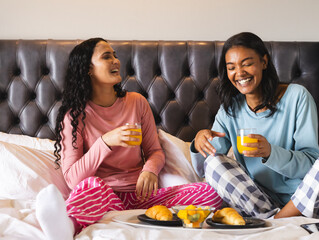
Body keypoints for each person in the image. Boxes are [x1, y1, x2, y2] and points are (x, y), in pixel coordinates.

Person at [35, 38, 222, 240]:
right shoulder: (74, 116)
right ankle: (66, 226)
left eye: (115, 55)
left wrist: (150, 171)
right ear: (88, 69)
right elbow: (73, 178)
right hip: (105, 198)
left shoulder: (137, 103)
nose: (116, 60)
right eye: (107, 56)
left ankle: (171, 217)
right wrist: (105, 142)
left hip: (143, 196)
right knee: (89, 187)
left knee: (210, 191)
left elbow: (155, 151)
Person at [190, 32, 319, 219]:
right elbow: (205, 166)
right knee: (214, 164)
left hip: (311, 202)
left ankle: (278, 221)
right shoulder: (230, 110)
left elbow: (310, 163)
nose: (239, 73)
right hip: (261, 204)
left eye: (247, 64)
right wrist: (199, 142)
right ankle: (276, 220)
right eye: (231, 67)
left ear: (264, 62)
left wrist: (270, 152)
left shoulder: (297, 97)